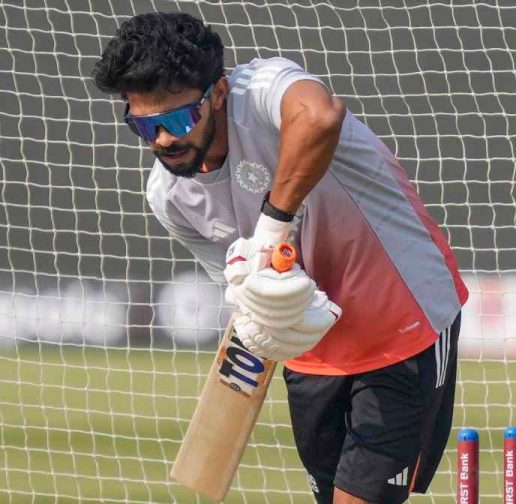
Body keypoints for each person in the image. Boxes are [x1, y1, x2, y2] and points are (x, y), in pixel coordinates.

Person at [93, 12, 468, 504]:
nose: (162, 139)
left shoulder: (263, 89)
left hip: (402, 317)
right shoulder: (169, 197)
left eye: (177, 120)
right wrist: (257, 296)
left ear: (218, 93)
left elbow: (321, 117)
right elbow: (246, 291)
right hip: (312, 346)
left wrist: (273, 225)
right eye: (144, 125)